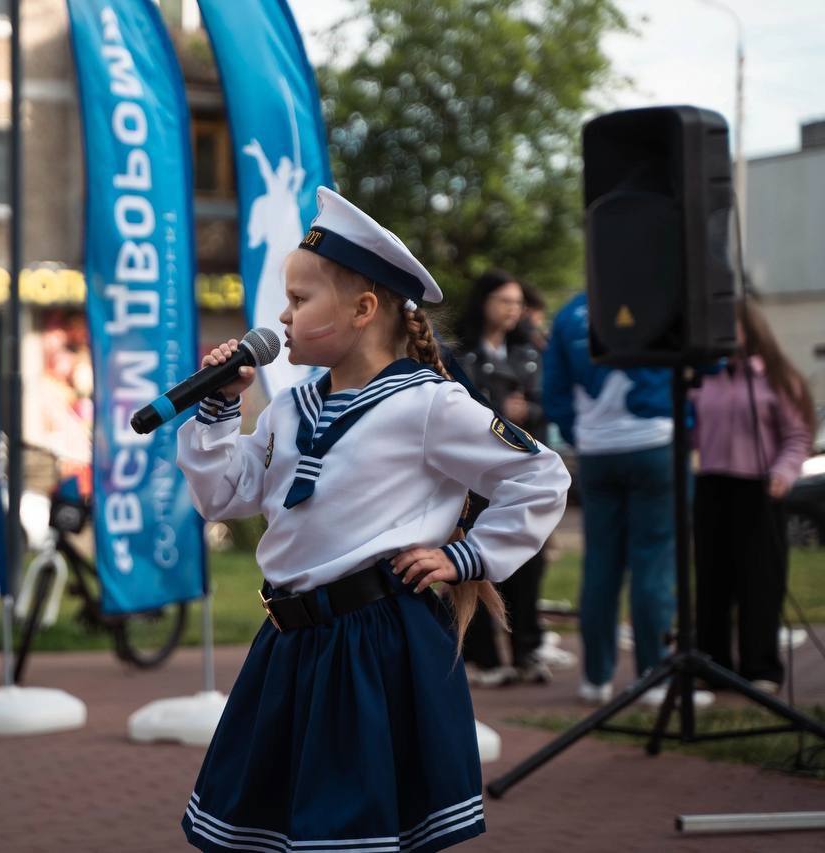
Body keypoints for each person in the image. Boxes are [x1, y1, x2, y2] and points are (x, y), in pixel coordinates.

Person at [177, 187, 570, 852]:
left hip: (373, 642)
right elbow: (223, 495)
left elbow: (539, 474)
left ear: (363, 309)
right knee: (270, 829)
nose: (283, 314)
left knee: (350, 831)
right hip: (290, 642)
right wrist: (216, 410)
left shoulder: (429, 405)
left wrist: (466, 555)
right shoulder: (290, 408)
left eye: (300, 300)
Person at [543, 292, 712, 707]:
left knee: (600, 563)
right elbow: (713, 361)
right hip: (655, 443)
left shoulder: (569, 314)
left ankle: (595, 679)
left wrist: (583, 434)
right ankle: (653, 679)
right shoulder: (662, 301)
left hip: (597, 452)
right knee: (653, 562)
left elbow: (554, 391)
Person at [692, 299, 814, 694]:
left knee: (759, 581)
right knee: (712, 580)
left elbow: (798, 436)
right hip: (712, 485)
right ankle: (712, 664)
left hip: (759, 488)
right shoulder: (703, 378)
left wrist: (783, 472)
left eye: (732, 327)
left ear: (751, 328)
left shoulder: (776, 377)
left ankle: (760, 667)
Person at [453, 270, 564, 685]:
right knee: (475, 561)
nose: (513, 309)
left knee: (527, 561)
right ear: (484, 302)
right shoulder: (459, 353)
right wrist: (501, 406)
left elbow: (547, 402)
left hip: (520, 470)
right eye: (504, 300)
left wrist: (527, 413)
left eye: (518, 302)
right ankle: (483, 656)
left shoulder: (529, 353)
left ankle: (527, 650)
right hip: (475, 474)